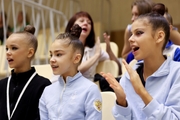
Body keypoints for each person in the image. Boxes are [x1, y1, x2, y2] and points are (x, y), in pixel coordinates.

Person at [101, 12, 180, 119]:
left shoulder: (177, 73)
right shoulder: (128, 76)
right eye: (131, 33)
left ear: (159, 36)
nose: (130, 39)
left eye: (138, 33)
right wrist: (121, 102)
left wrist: (141, 92)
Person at [39, 24, 102, 120]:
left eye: (58, 54)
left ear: (76, 58)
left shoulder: (90, 90)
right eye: (51, 55)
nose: (52, 59)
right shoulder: (47, 91)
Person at [0, 25, 51, 120]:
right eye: (7, 48)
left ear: (30, 52)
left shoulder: (43, 85)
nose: (8, 52)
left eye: (14, 48)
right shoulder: (2, 84)